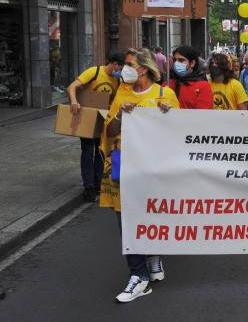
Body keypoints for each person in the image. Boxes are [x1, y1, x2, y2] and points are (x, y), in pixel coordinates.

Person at [102, 48, 179, 303]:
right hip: (125, 166)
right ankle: (139, 276)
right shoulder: (121, 92)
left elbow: (181, 133)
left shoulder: (164, 94)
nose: (123, 68)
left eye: (128, 64)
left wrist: (170, 115)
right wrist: (121, 115)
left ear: (143, 69)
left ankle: (154, 254)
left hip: (154, 168)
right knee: (126, 219)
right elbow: (109, 131)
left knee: (153, 214)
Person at [66, 53, 125, 202]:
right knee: (87, 151)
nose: (121, 70)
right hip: (87, 117)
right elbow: (72, 87)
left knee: (101, 151)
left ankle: (99, 183)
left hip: (103, 119)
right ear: (114, 64)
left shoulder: (118, 79)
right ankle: (89, 187)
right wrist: (74, 101)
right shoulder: (95, 72)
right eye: (121, 66)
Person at [166, 45, 213, 109]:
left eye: (181, 60)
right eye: (175, 60)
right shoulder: (168, 84)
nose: (176, 63)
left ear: (192, 63)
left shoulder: (203, 86)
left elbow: (203, 115)